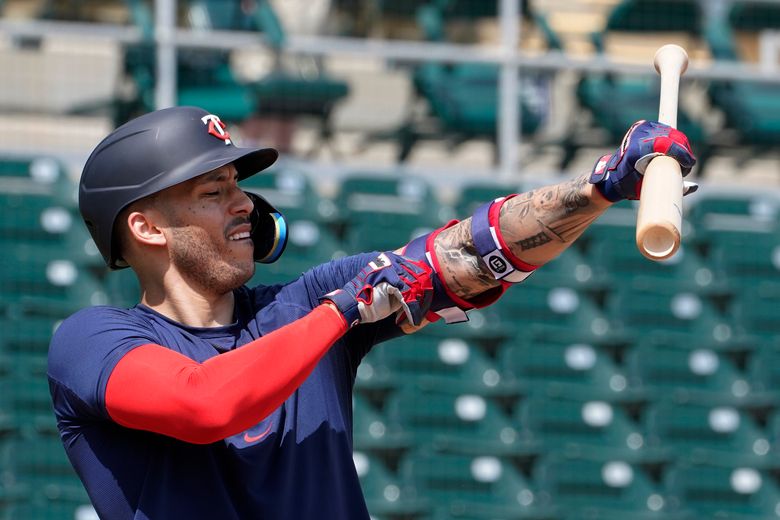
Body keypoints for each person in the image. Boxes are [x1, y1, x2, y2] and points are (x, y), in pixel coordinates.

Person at [48, 107, 696, 520]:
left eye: (242, 190)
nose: (244, 205)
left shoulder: (300, 303)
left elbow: (470, 253)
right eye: (215, 193)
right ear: (146, 227)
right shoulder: (91, 340)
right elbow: (205, 407)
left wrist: (600, 187)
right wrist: (339, 313)